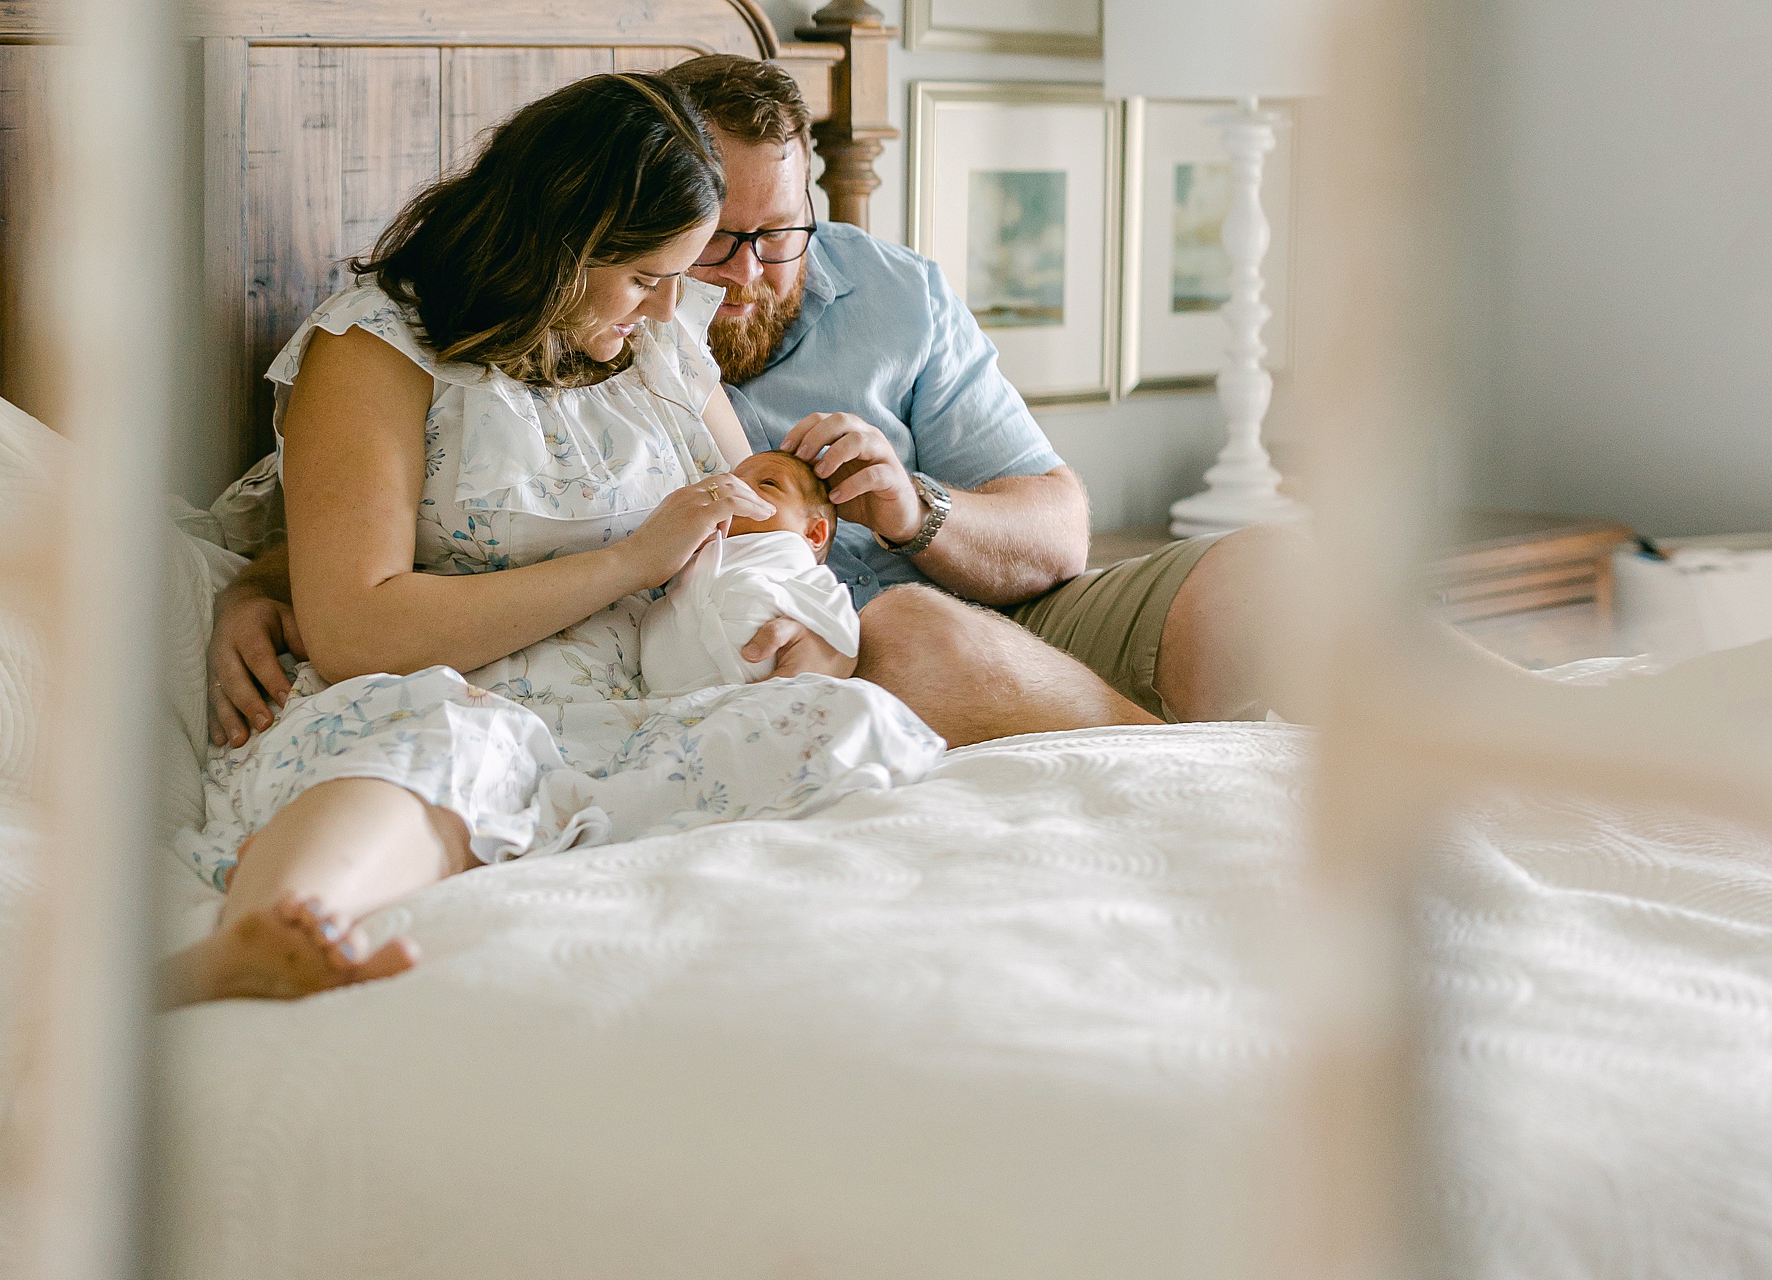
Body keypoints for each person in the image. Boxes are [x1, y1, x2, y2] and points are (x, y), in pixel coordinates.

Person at [210, 53, 1302, 753]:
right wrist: (268, 582)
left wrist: (915, 507)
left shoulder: (868, 288)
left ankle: (1331, 773)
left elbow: (1058, 529)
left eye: (780, 235)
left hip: (971, 606)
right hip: (854, 644)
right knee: (914, 635)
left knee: (1275, 579)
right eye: (705, 246)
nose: (741, 275)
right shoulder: (523, 338)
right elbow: (426, 532)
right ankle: (1199, 772)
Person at [162, 73, 941, 1008]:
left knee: (847, 724)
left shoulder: (659, 350)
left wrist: (793, 631)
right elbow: (352, 626)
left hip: (644, 707)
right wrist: (626, 564)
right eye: (647, 278)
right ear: (562, 247)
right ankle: (273, 928)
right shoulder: (375, 350)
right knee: (442, 755)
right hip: (445, 693)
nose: (665, 312)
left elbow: (756, 535)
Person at [638, 448, 858, 696]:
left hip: (772, 688)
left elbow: (840, 619)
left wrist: (839, 646)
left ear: (813, 533)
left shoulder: (792, 555)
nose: (737, 488)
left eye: (768, 484)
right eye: (733, 479)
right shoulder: (694, 551)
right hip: (678, 700)